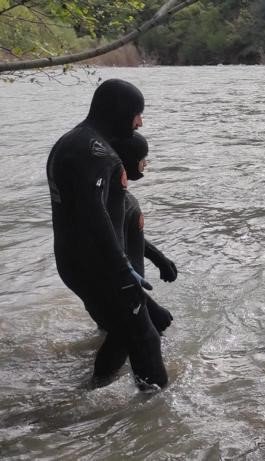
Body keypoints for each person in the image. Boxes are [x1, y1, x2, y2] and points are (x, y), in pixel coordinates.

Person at [46, 79, 167, 391]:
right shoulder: (94, 151)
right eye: (137, 113)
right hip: (98, 265)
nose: (140, 121)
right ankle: (155, 416)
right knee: (144, 337)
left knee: (129, 331)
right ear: (120, 111)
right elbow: (93, 214)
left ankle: (93, 392)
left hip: (81, 262)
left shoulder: (74, 141)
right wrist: (121, 268)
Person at [110, 133, 177, 334]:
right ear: (129, 160)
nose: (145, 163)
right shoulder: (114, 203)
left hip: (127, 293)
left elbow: (131, 236)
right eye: (142, 158)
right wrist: (151, 307)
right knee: (144, 345)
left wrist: (159, 259)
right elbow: (112, 257)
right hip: (124, 294)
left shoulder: (120, 197)